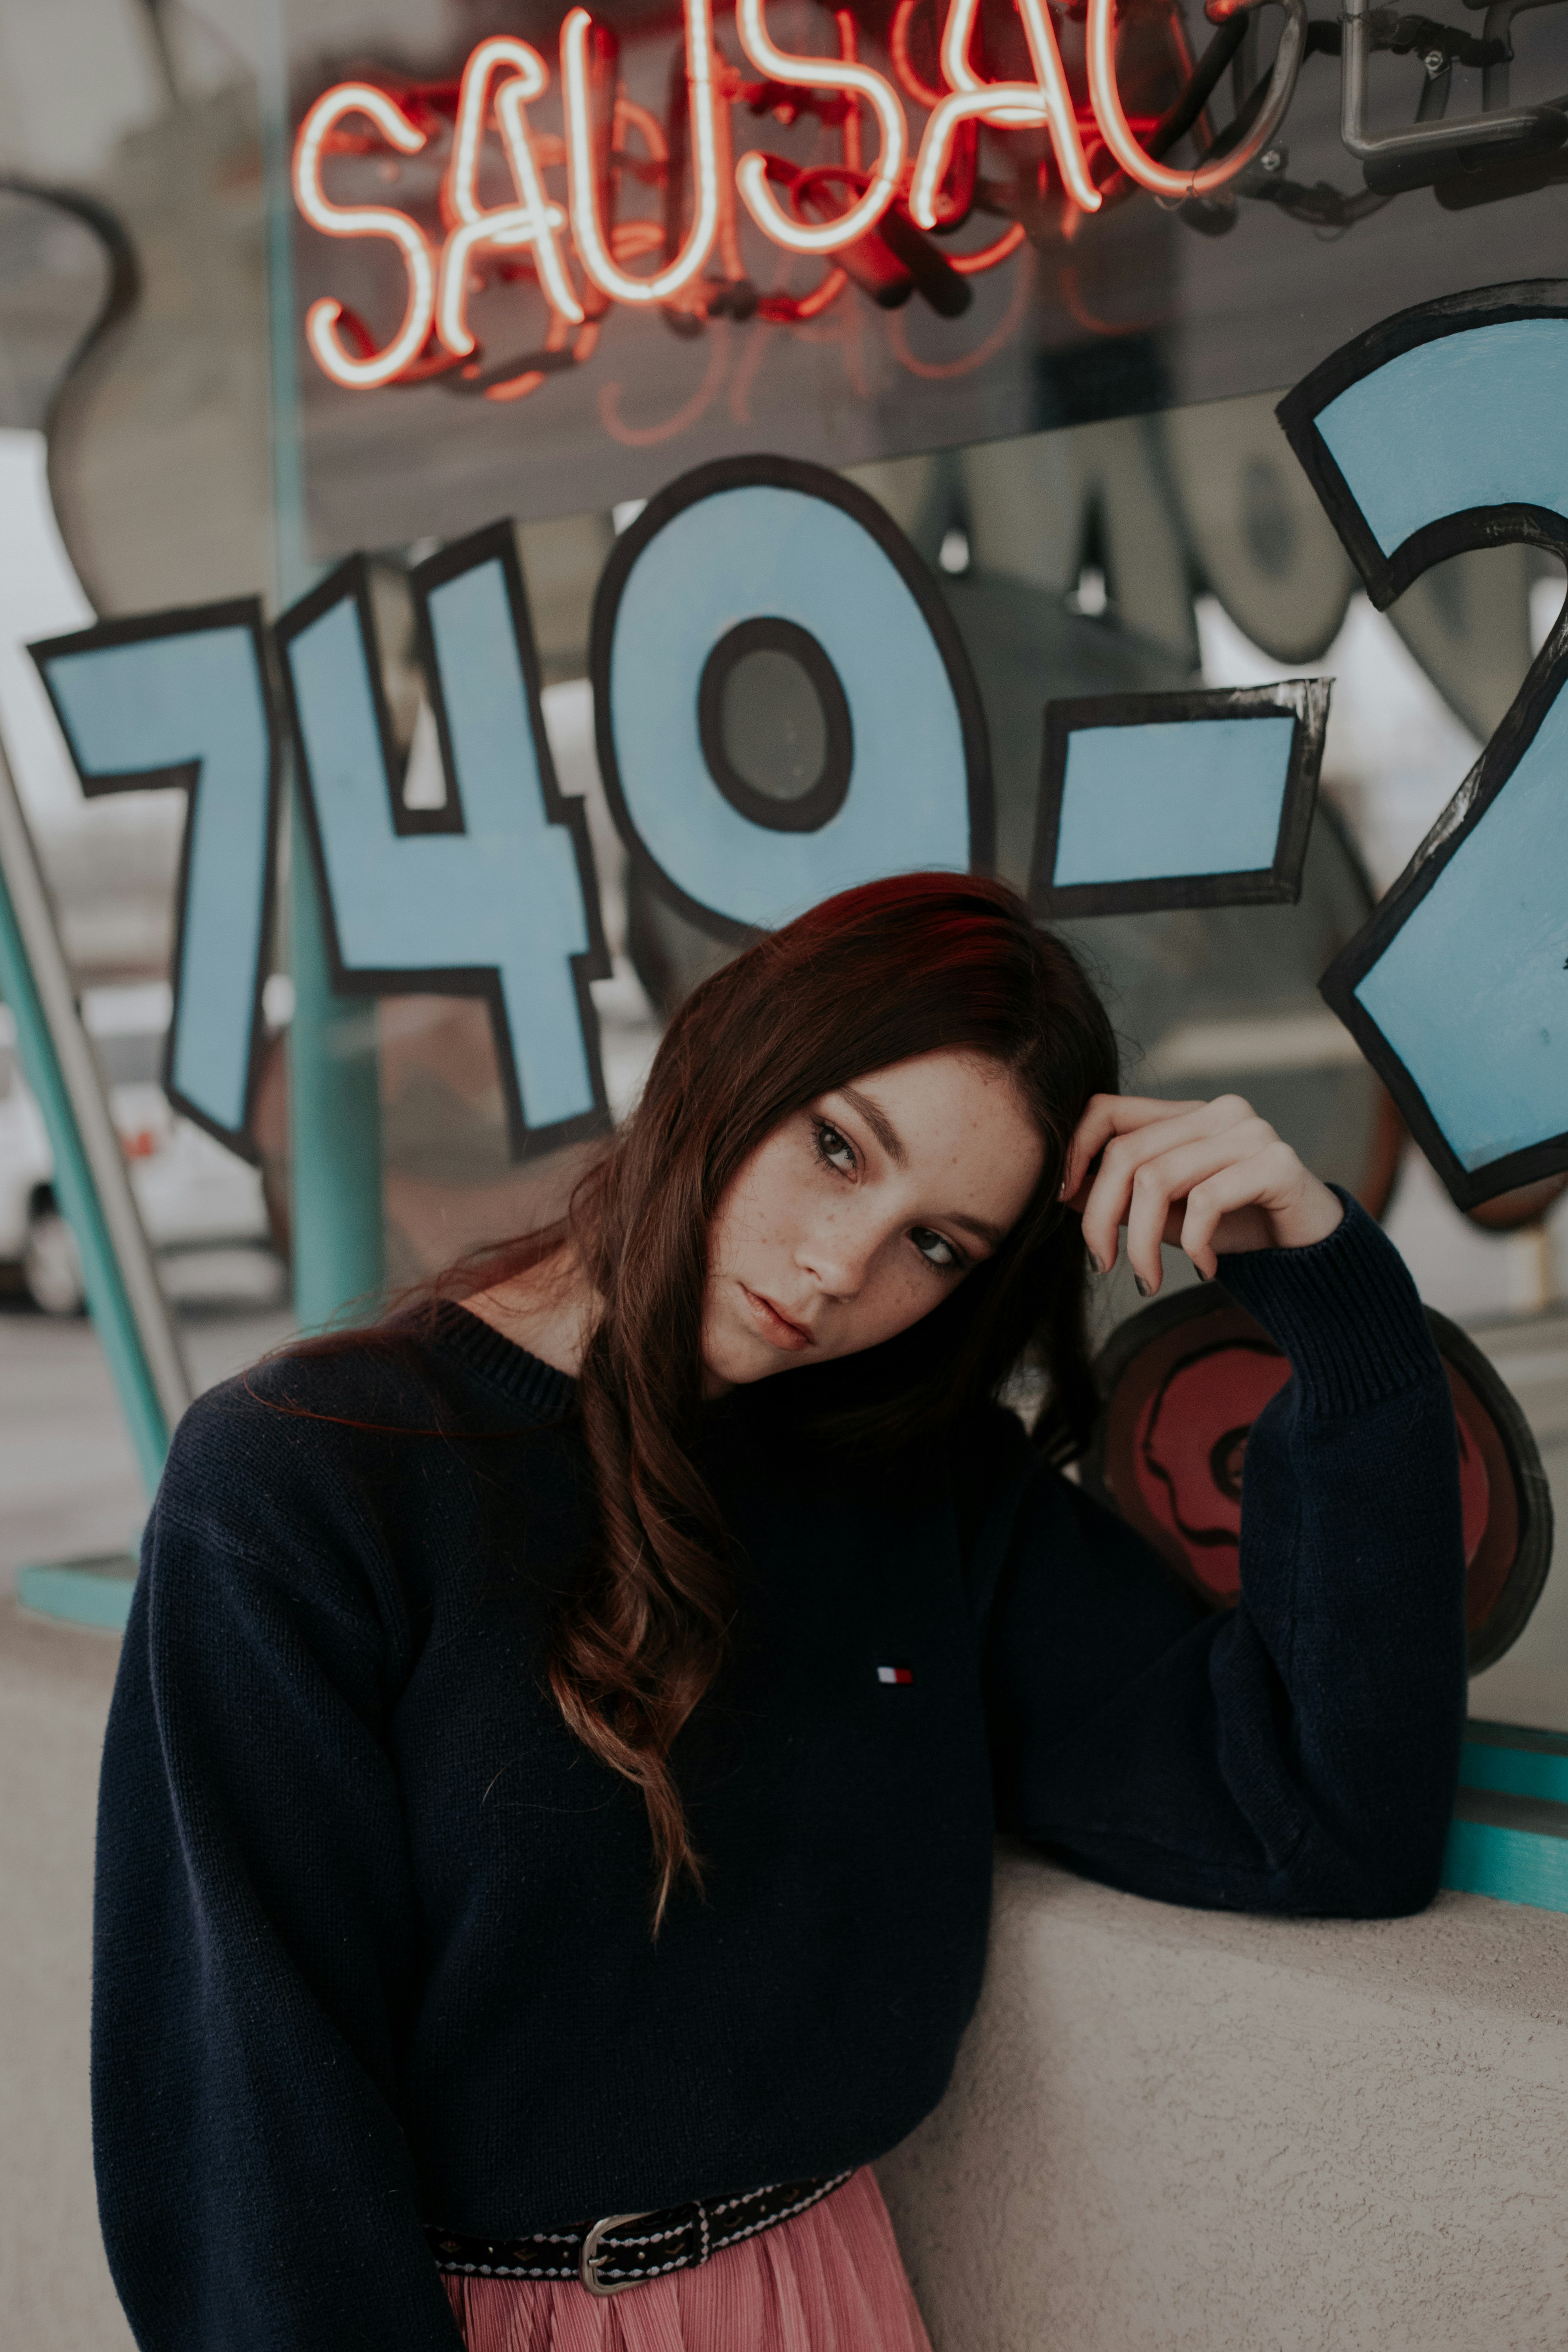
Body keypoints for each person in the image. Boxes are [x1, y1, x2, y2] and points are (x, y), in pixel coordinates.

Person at [92, 873, 1465, 2352]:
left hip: (818, 2295)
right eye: (835, 1148)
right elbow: (248, 2126)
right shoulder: (311, 1475)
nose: (841, 1266)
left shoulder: (916, 1490)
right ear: (728, 1055)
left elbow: (1329, 1818)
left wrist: (1338, 1305)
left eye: (938, 1245)